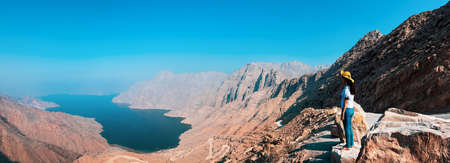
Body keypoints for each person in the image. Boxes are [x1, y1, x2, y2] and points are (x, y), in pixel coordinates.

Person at [340, 70, 355, 150]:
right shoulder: (351, 88)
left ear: (345, 79)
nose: (341, 79)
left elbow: (346, 101)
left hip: (347, 110)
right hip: (351, 109)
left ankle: (348, 146)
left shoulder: (346, 89)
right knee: (349, 127)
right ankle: (351, 143)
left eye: (342, 78)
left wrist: (342, 113)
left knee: (346, 127)